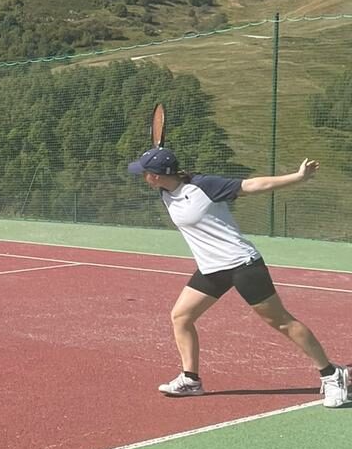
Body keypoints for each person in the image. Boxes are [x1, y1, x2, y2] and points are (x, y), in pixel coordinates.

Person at [128, 145, 348, 407]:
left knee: (281, 322)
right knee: (181, 316)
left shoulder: (204, 186)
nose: (141, 177)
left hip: (242, 265)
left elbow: (253, 185)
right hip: (211, 269)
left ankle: (333, 375)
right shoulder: (165, 191)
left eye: (144, 172)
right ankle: (191, 380)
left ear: (156, 175)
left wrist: (297, 177)